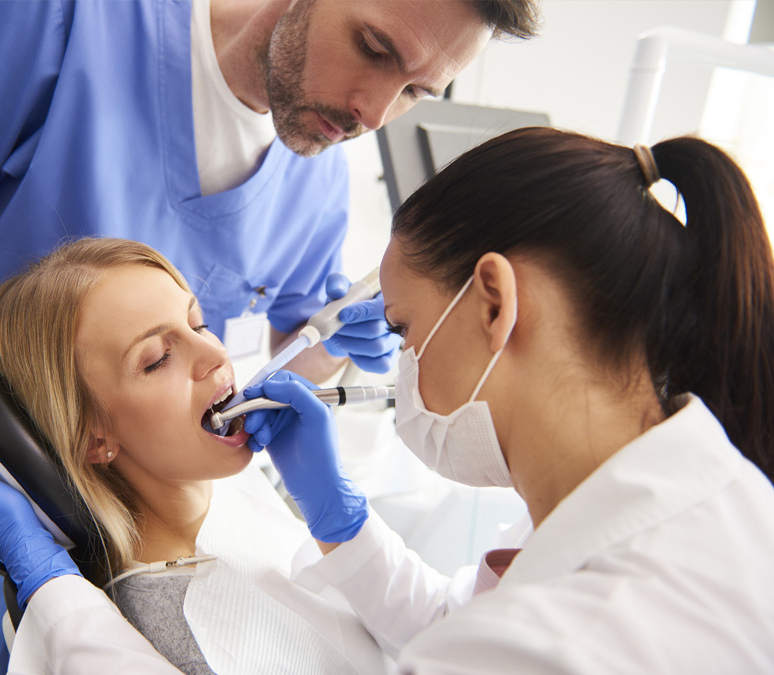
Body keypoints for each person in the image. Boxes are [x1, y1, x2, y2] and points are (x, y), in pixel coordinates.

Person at [0, 0, 540, 671]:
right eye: (375, 48)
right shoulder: (73, 21)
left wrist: (329, 344)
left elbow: (289, 347)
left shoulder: (316, 168)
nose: (376, 113)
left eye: (417, 89)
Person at [238, 126, 774, 672]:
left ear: (494, 302)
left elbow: (483, 644)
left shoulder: (553, 643)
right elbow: (461, 620)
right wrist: (342, 521)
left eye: (404, 331)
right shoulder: (726, 498)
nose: (404, 363)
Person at [0, 236, 390, 674]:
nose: (213, 355)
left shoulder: (216, 481)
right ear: (93, 438)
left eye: (199, 323)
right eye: (158, 359)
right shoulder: (180, 632)